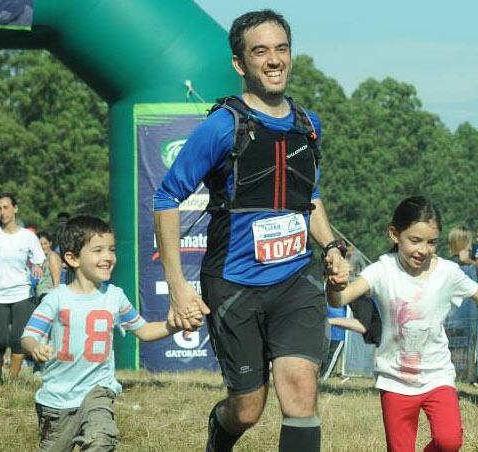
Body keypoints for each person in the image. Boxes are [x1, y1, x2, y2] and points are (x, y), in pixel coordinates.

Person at [152, 9, 349, 452]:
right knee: (248, 408)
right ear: (241, 64)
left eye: (281, 48)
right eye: (260, 51)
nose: (274, 59)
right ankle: (220, 433)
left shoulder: (308, 125)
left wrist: (331, 245)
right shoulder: (224, 126)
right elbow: (166, 199)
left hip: (296, 281)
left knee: (300, 386)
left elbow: (308, 199)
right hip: (235, 284)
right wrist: (178, 286)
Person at [327, 196, 478, 452]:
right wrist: (334, 285)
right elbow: (341, 297)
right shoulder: (382, 270)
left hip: (437, 376)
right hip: (394, 380)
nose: (423, 250)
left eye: (432, 242)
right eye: (414, 241)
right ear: (394, 234)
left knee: (449, 441)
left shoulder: (447, 272)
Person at [21, 215, 179, 451]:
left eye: (111, 250)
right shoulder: (56, 298)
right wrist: (35, 347)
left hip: (98, 391)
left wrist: (174, 326)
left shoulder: (114, 297)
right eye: (98, 250)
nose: (108, 257)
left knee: (101, 440)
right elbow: (28, 336)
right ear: (72, 258)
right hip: (57, 400)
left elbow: (144, 330)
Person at [0, 193, 45, 383]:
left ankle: (12, 380)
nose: (2, 212)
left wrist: (38, 267)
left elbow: (39, 260)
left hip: (23, 293)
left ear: (15, 208)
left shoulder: (28, 237)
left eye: (6, 207)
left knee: (18, 339)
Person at [35, 231, 63, 300]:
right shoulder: (44, 258)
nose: (43, 246)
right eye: (40, 244)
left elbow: (56, 281)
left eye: (45, 243)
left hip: (49, 296)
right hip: (43, 295)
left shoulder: (52, 256)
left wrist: (55, 299)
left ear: (50, 243)